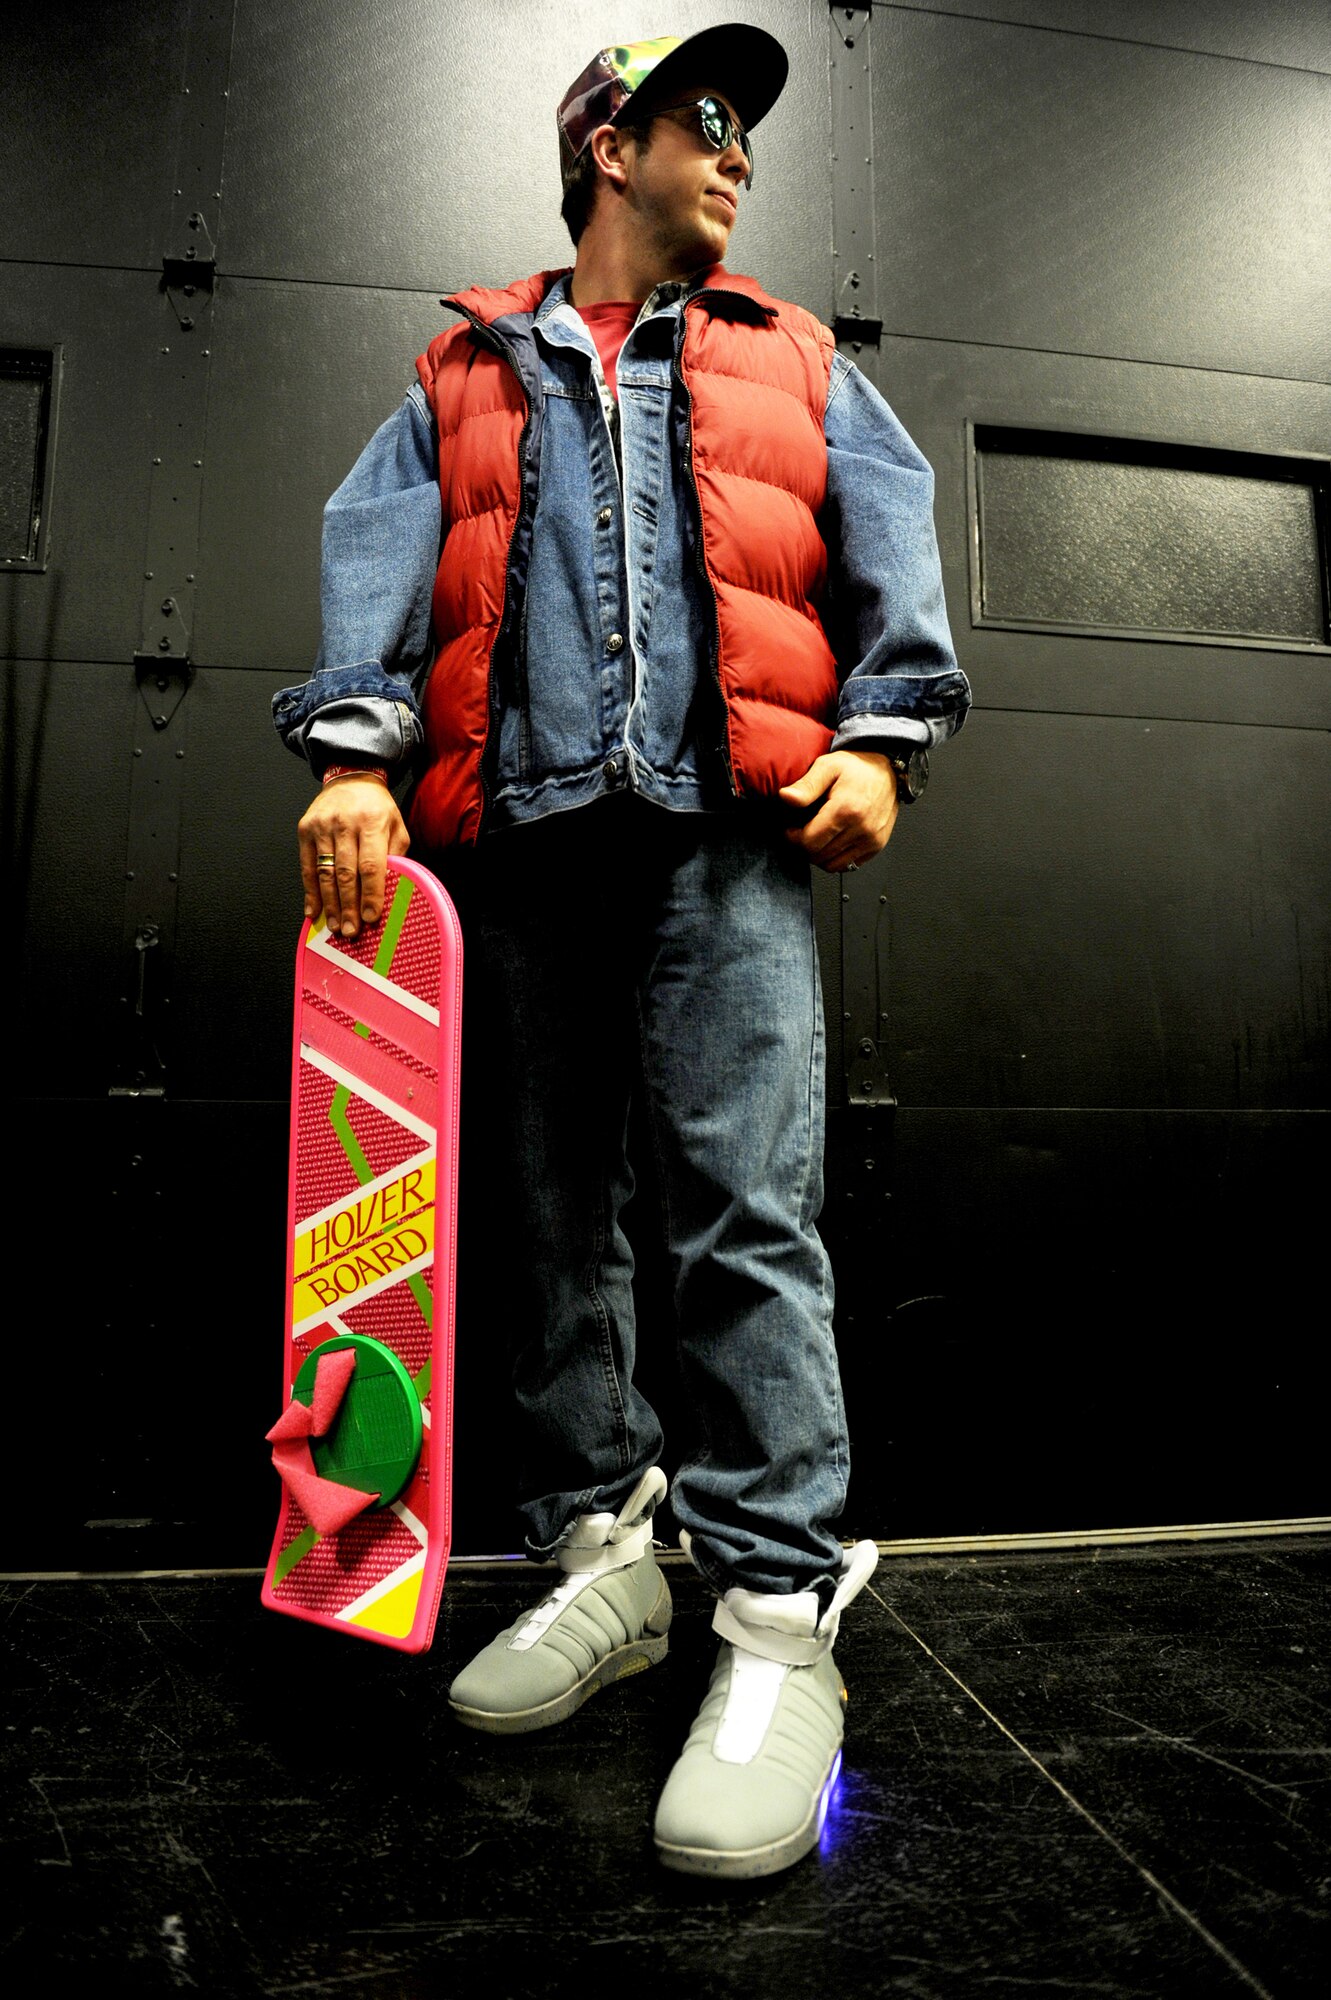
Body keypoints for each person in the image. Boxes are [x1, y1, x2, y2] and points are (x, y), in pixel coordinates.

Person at [273, 23, 970, 1879]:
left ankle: (768, 1620)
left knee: (742, 1209)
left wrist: (884, 738)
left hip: (728, 838)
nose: (737, 155)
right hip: (523, 844)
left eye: (746, 127)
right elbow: (378, 557)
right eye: (704, 122)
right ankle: (605, 1556)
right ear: (608, 149)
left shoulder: (791, 355)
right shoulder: (462, 365)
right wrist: (355, 756)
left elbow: (893, 565)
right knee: (544, 1213)